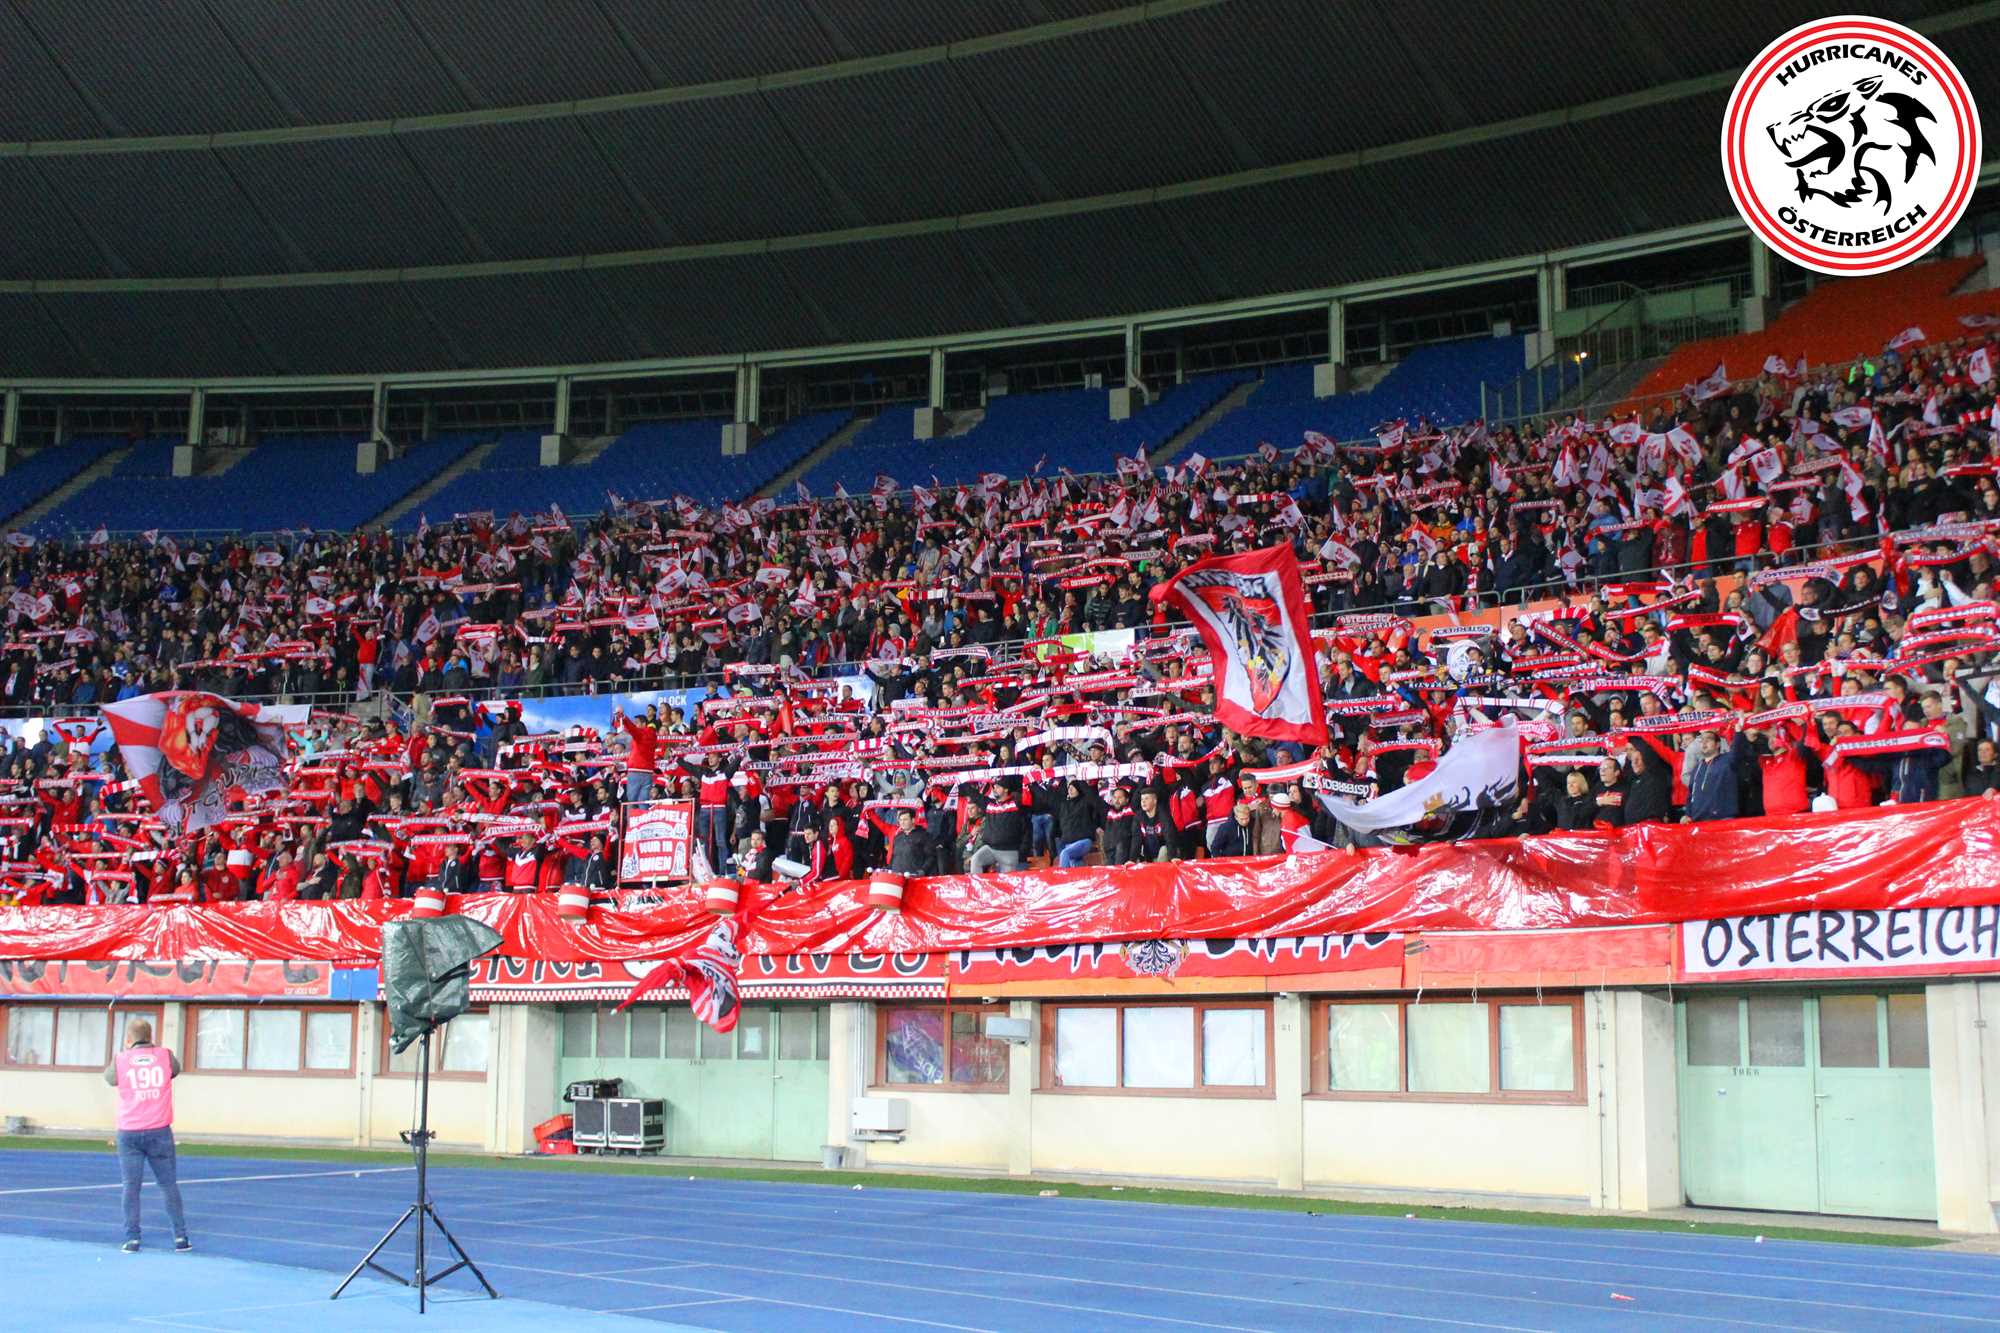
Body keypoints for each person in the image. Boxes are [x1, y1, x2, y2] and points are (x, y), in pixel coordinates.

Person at [103, 1017, 190, 1253]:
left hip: (129, 1131)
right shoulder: (165, 1056)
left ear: (128, 1039)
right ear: (151, 1036)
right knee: (168, 1185)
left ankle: (132, 1238)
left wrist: (125, 1054)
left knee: (131, 1187)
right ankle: (180, 1237)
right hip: (159, 1130)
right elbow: (175, 1071)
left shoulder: (121, 1059)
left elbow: (110, 1079)